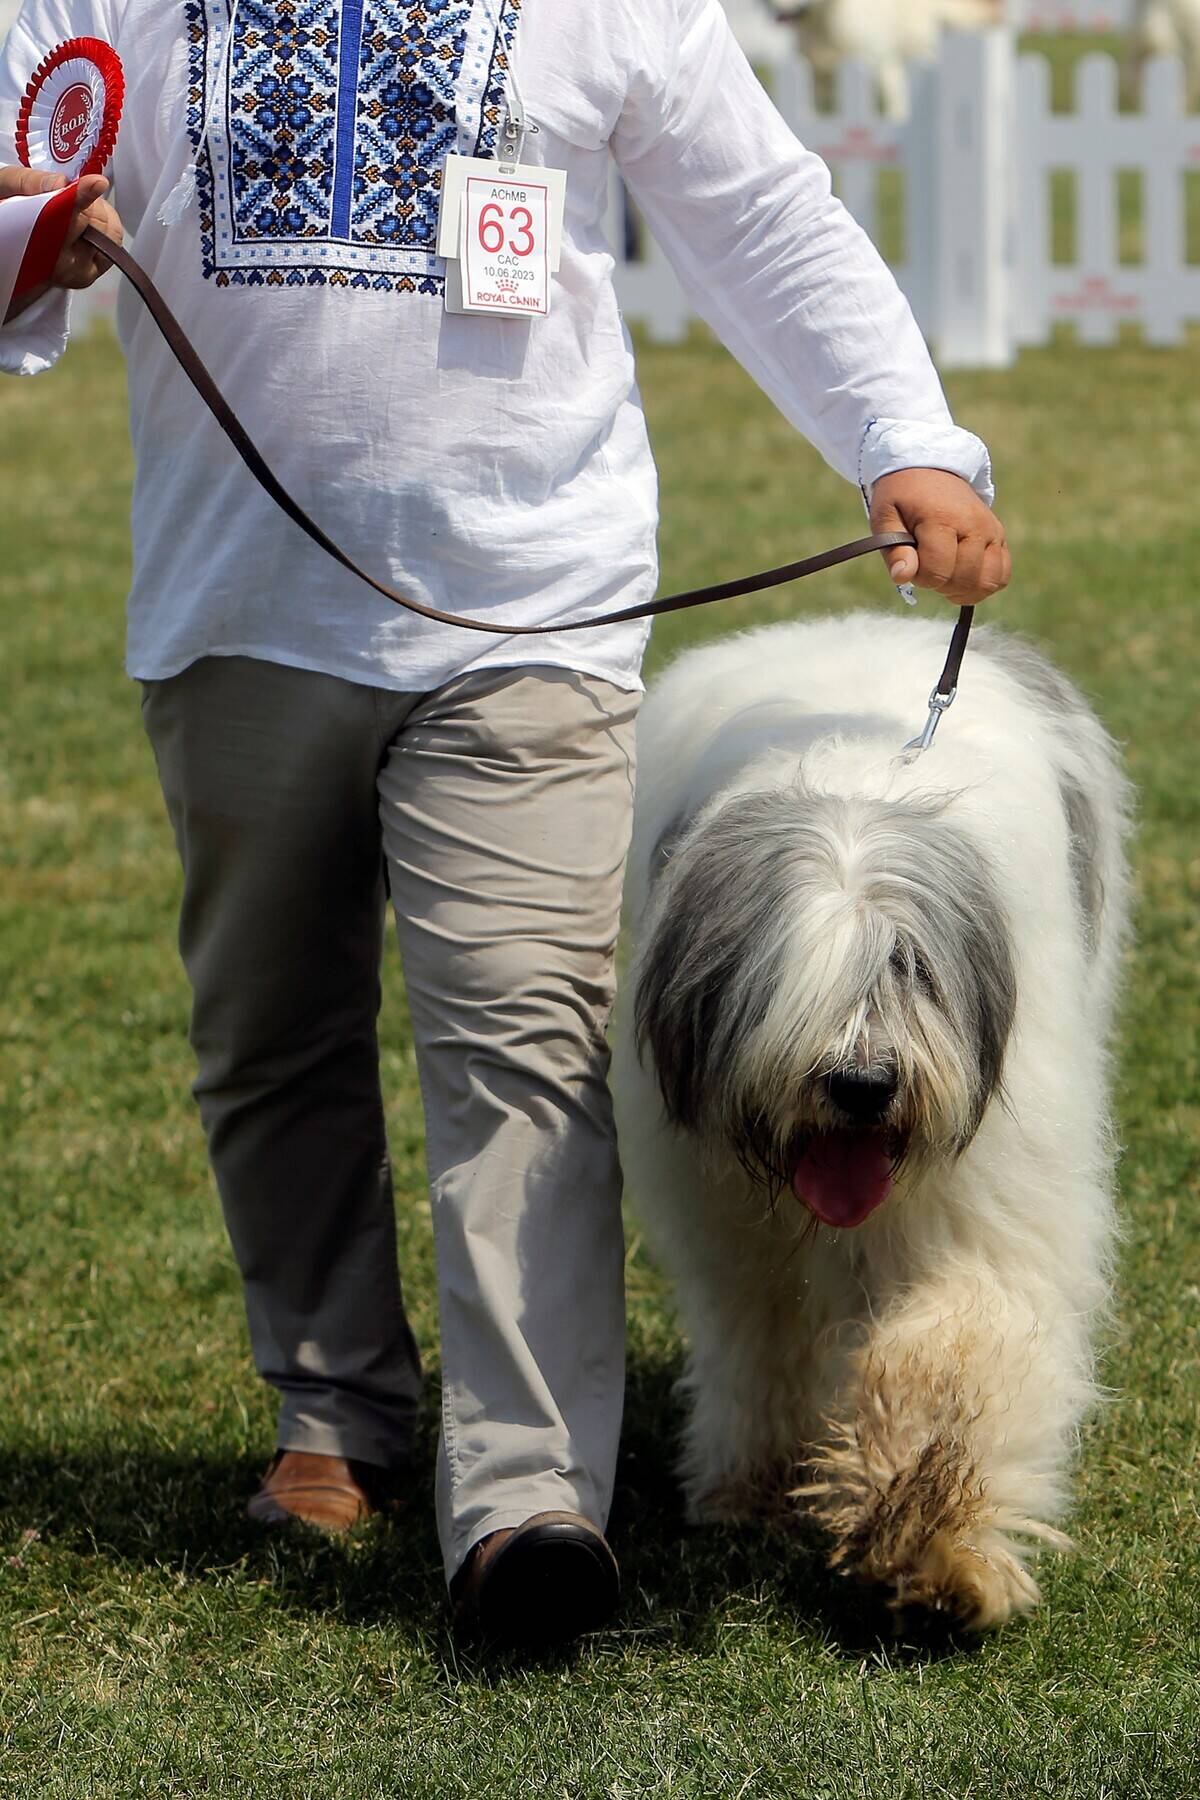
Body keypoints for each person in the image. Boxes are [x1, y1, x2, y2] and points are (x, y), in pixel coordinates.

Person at [1, 0, 1010, 1647]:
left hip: (532, 614)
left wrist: (903, 439)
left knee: (527, 1042)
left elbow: (759, 207)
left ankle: (529, 1497)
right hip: (234, 607)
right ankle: (335, 1415)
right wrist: (34, 230)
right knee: (271, 1036)